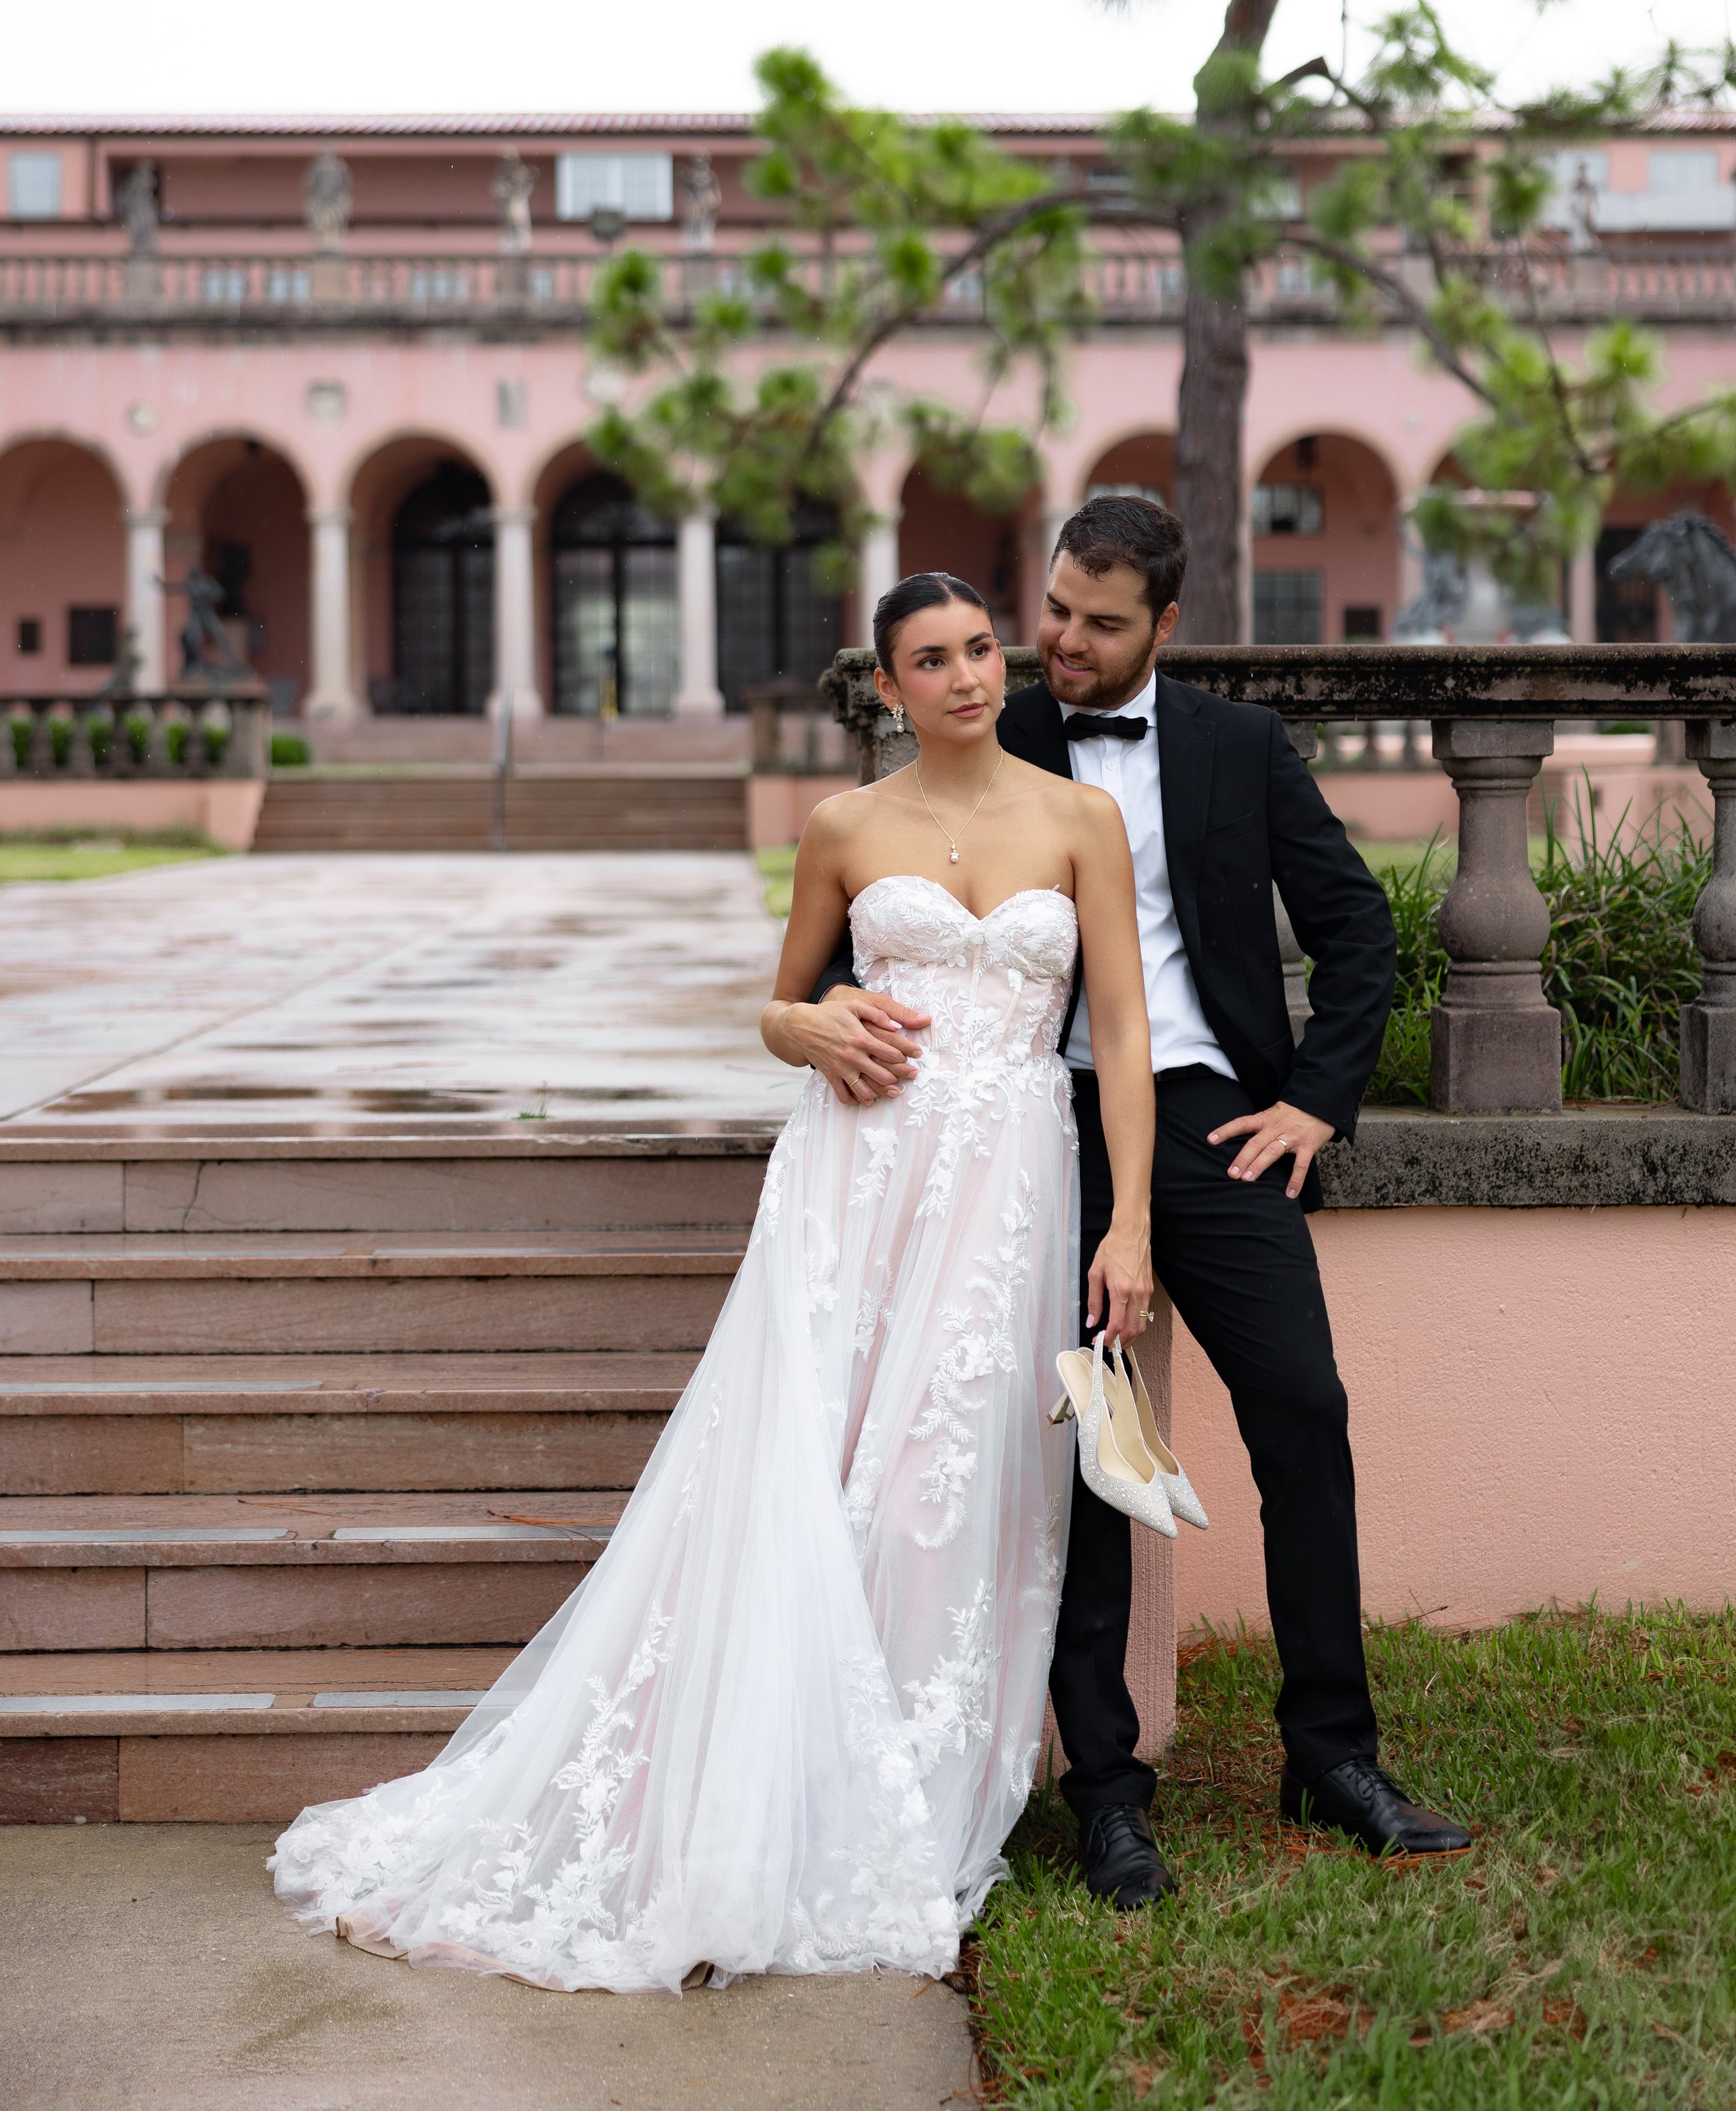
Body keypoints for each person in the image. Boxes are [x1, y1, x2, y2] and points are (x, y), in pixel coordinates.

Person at [269, 571, 1156, 1992]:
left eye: (983, 647)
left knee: (952, 1484)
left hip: (1011, 1190)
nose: (970, 676)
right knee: (810, 1470)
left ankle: (899, 1795)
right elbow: (775, 1001)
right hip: (853, 1184)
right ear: (886, 687)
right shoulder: (843, 826)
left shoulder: (1078, 821)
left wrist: (1128, 1232)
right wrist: (812, 1031)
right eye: (932, 660)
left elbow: (1115, 1028)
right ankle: (754, 1786)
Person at [804, 497, 1472, 1906]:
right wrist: (827, 1020)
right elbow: (853, 925)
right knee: (1077, 1452)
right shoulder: (989, 721)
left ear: (1164, 625)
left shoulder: (1237, 745)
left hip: (1198, 1114)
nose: (1056, 646)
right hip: (1012, 1133)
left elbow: (1356, 926)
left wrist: (1312, 1102)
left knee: (1301, 1405)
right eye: (1051, 610)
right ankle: (1106, 1795)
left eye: (1099, 625)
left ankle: (1331, 1751)